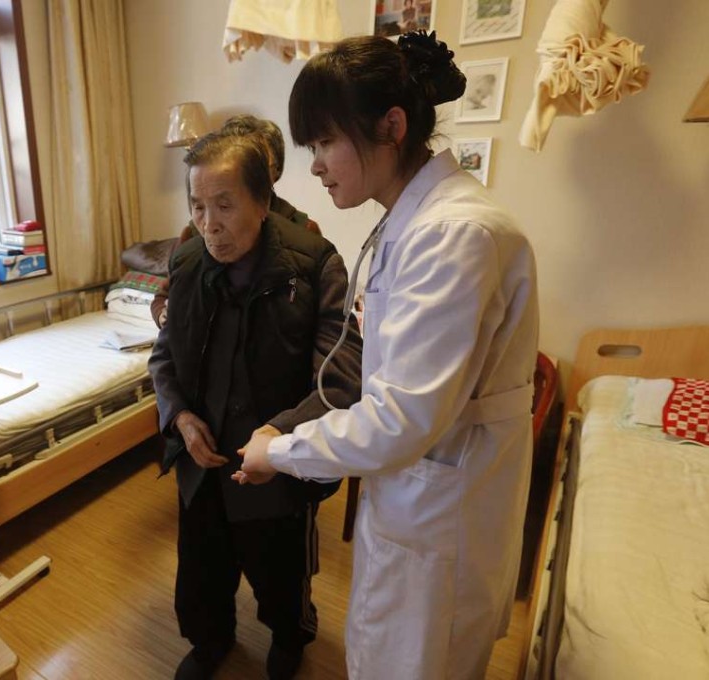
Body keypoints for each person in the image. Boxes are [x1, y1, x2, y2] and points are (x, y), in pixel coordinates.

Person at [235, 31, 539, 679]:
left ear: (391, 126)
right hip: (416, 501)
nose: (314, 165)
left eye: (323, 142)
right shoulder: (413, 223)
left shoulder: (453, 234)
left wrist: (279, 452)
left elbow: (400, 418)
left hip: (438, 520)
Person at [148, 131, 361, 680]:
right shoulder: (187, 261)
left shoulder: (314, 264)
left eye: (224, 205)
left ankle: (290, 637)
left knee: (281, 575)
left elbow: (339, 377)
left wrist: (279, 436)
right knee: (200, 572)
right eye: (198, 206)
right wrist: (178, 415)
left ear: (263, 203)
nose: (209, 223)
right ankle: (209, 641)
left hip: (276, 467)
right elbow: (163, 355)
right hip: (202, 460)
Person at [149, 114, 320, 328]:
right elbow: (165, 297)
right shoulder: (195, 235)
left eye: (257, 162)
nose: (211, 226)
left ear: (275, 171)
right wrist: (166, 319)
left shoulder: (303, 233)